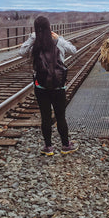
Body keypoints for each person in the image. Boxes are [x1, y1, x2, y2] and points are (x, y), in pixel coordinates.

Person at [19, 15, 78, 155]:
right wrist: (60, 39)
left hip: (41, 86)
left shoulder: (34, 43)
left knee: (45, 117)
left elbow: (21, 52)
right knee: (60, 116)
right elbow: (73, 50)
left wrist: (32, 38)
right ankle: (65, 145)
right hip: (58, 86)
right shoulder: (57, 42)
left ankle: (48, 147)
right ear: (49, 27)